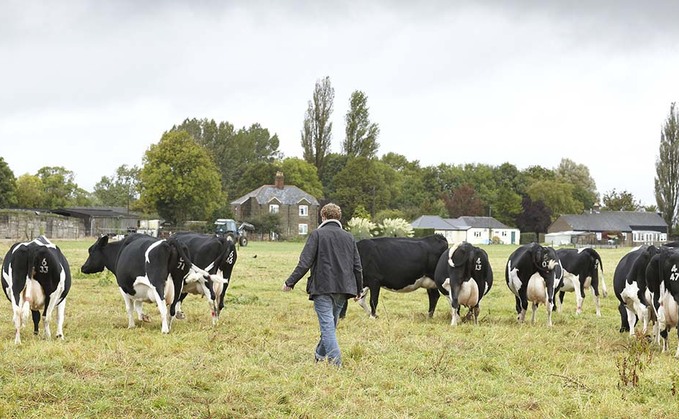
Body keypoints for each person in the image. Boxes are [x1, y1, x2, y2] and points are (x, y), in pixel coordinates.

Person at [282, 203, 363, 367]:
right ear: (338, 217)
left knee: (327, 328)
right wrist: (358, 290)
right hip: (344, 289)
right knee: (330, 326)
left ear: (323, 216)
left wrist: (290, 282)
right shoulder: (349, 237)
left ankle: (336, 365)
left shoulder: (317, 234)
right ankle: (319, 356)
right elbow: (357, 266)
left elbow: (304, 263)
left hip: (323, 288)